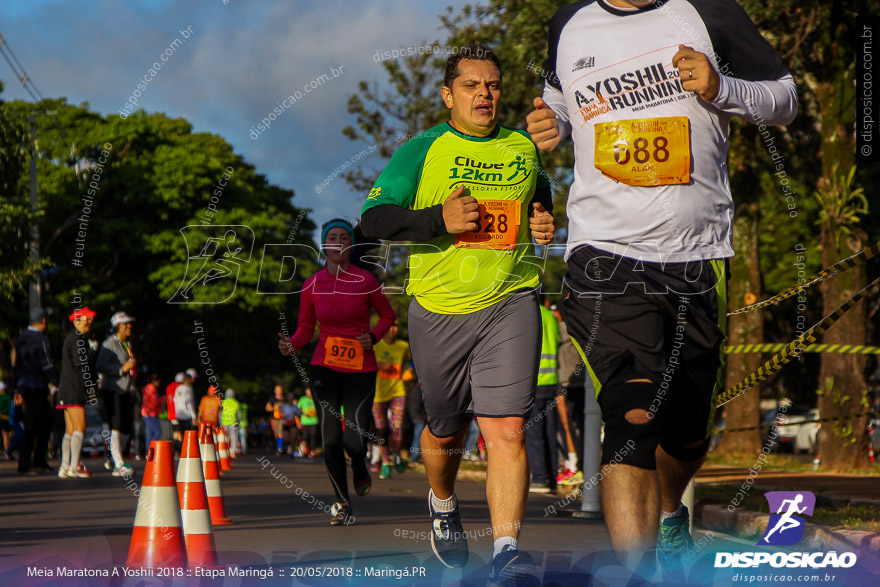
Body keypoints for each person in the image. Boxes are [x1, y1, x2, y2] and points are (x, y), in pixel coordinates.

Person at [526, 0, 797, 574]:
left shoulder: (710, 12)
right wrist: (549, 121)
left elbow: (785, 98)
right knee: (630, 412)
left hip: (697, 256)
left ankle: (672, 510)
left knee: (688, 433)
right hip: (604, 255)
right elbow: (559, 103)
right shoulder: (568, 23)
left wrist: (721, 87)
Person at [361, 44, 554, 583]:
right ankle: (443, 501)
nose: (485, 94)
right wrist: (437, 220)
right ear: (449, 95)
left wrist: (543, 219)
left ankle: (507, 551)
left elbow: (539, 194)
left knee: (507, 431)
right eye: (472, 85)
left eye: (492, 85)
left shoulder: (522, 145)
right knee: (445, 432)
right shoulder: (423, 148)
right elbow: (374, 220)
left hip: (511, 298)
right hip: (439, 307)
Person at [279, 218, 396, 525]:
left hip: (361, 367)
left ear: (350, 245)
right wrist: (291, 344)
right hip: (323, 366)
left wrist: (372, 336)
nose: (339, 242)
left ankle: (359, 463)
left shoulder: (366, 281)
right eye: (332, 237)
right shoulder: (311, 284)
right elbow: (305, 328)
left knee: (353, 440)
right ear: (324, 245)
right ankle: (342, 504)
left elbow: (387, 314)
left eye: (344, 237)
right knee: (330, 438)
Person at [14, 308, 60, 475]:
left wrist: (16, 388)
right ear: (43, 320)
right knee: (36, 423)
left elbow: (17, 364)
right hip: (37, 385)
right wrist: (57, 381)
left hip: (25, 385)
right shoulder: (41, 339)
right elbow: (47, 364)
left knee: (41, 421)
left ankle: (37, 460)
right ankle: (27, 463)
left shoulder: (22, 338)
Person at [57, 307, 99, 478]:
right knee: (80, 428)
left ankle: (65, 466)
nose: (90, 322)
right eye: (87, 319)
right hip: (74, 390)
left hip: (66, 390)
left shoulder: (72, 338)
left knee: (70, 430)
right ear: (77, 321)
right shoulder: (77, 339)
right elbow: (79, 362)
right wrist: (92, 351)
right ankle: (74, 466)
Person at [96, 311, 138, 476]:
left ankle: (114, 457)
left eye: (130, 323)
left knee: (127, 425)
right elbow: (100, 365)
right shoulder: (110, 343)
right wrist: (122, 369)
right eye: (126, 323)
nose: (129, 326)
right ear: (117, 326)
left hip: (125, 389)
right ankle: (119, 463)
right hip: (111, 389)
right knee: (117, 424)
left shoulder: (125, 343)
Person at [526, 297, 560, 494]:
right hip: (552, 380)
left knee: (534, 433)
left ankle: (539, 478)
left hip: (535, 380)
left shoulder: (528, 313)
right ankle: (552, 477)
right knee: (549, 432)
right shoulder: (550, 316)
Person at [371, 320, 411, 479]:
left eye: (395, 325)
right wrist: (375, 364)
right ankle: (386, 462)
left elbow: (414, 359)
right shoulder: (375, 346)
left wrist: (410, 370)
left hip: (397, 391)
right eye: (389, 326)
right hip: (378, 394)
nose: (392, 329)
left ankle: (396, 454)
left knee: (397, 426)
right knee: (381, 430)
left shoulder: (403, 346)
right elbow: (362, 363)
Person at [141, 374, 162, 451]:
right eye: (158, 381)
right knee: (157, 432)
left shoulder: (147, 389)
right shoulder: (152, 390)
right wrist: (162, 399)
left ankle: (149, 450)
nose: (159, 383)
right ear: (154, 381)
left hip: (146, 413)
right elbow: (154, 402)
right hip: (150, 413)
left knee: (150, 433)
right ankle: (151, 449)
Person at [297, 388, 319, 457]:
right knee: (305, 437)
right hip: (305, 422)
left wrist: (316, 412)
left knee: (313, 436)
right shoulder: (302, 399)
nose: (309, 394)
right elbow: (297, 409)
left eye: (310, 392)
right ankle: (303, 450)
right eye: (308, 392)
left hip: (314, 421)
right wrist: (303, 414)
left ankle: (312, 451)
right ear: (306, 393)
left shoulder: (316, 399)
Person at [265, 384, 286, 455]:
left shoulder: (285, 399)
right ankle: (278, 447)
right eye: (277, 390)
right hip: (274, 419)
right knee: (276, 434)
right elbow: (267, 408)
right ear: (275, 391)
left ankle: (280, 448)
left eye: (280, 390)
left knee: (281, 433)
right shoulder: (272, 399)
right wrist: (274, 408)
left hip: (282, 419)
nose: (279, 392)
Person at [220, 388, 242, 456]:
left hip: (224, 422)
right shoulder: (236, 402)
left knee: (224, 437)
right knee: (234, 437)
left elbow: (220, 413)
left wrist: (220, 422)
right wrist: (238, 422)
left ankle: (225, 451)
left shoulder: (223, 402)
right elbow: (239, 415)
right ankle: (233, 452)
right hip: (233, 422)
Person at [0, 382, 12, 460]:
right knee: (5, 436)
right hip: (4, 418)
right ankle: (7, 452)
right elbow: (9, 407)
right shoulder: (7, 397)